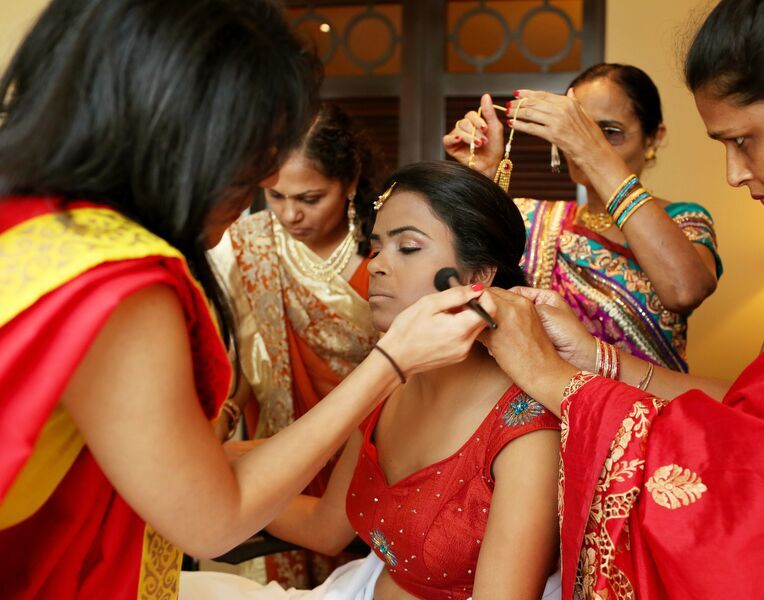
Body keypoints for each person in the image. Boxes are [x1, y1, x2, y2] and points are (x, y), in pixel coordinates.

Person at [0, 2, 496, 598]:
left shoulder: (33, 227)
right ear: (173, 128)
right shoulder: (116, 286)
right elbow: (217, 519)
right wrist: (390, 364)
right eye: (255, 146)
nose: (266, 181)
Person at [480, 0, 764, 597]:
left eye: (743, 140)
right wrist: (597, 363)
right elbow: (762, 413)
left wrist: (555, 382)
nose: (733, 172)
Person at [181, 161, 562, 600]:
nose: (377, 265)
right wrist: (219, 477)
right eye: (376, 246)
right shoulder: (394, 380)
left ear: (478, 277)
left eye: (409, 247)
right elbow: (326, 527)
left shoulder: (526, 430)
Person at [444, 63, 722, 372]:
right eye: (576, 128)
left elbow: (684, 290)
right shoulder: (532, 218)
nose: (582, 142)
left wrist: (591, 147)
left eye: (609, 132)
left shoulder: (684, 221)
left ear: (653, 137)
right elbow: (464, 284)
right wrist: (482, 178)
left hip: (642, 413)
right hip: (545, 413)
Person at [209, 103, 381, 587]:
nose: (289, 214)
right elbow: (248, 361)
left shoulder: (388, 245)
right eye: (275, 196)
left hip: (373, 454)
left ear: (349, 182)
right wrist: (222, 420)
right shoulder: (246, 244)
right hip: (279, 450)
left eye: (310, 197)